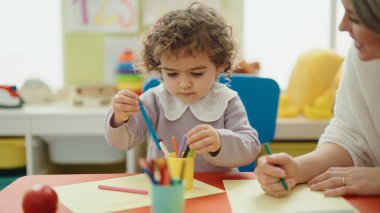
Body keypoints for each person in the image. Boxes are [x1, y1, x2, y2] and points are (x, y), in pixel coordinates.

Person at [104, 3, 260, 172]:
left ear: (219, 65)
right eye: (172, 74)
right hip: (166, 190)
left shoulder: (227, 101)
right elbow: (123, 143)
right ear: (159, 67)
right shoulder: (154, 99)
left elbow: (250, 148)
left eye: (197, 73)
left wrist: (219, 141)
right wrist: (120, 117)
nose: (184, 84)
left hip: (218, 190)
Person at [255, 0, 380, 197]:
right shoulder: (361, 54)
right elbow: (352, 137)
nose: (342, 25)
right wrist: (297, 167)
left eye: (354, 17)